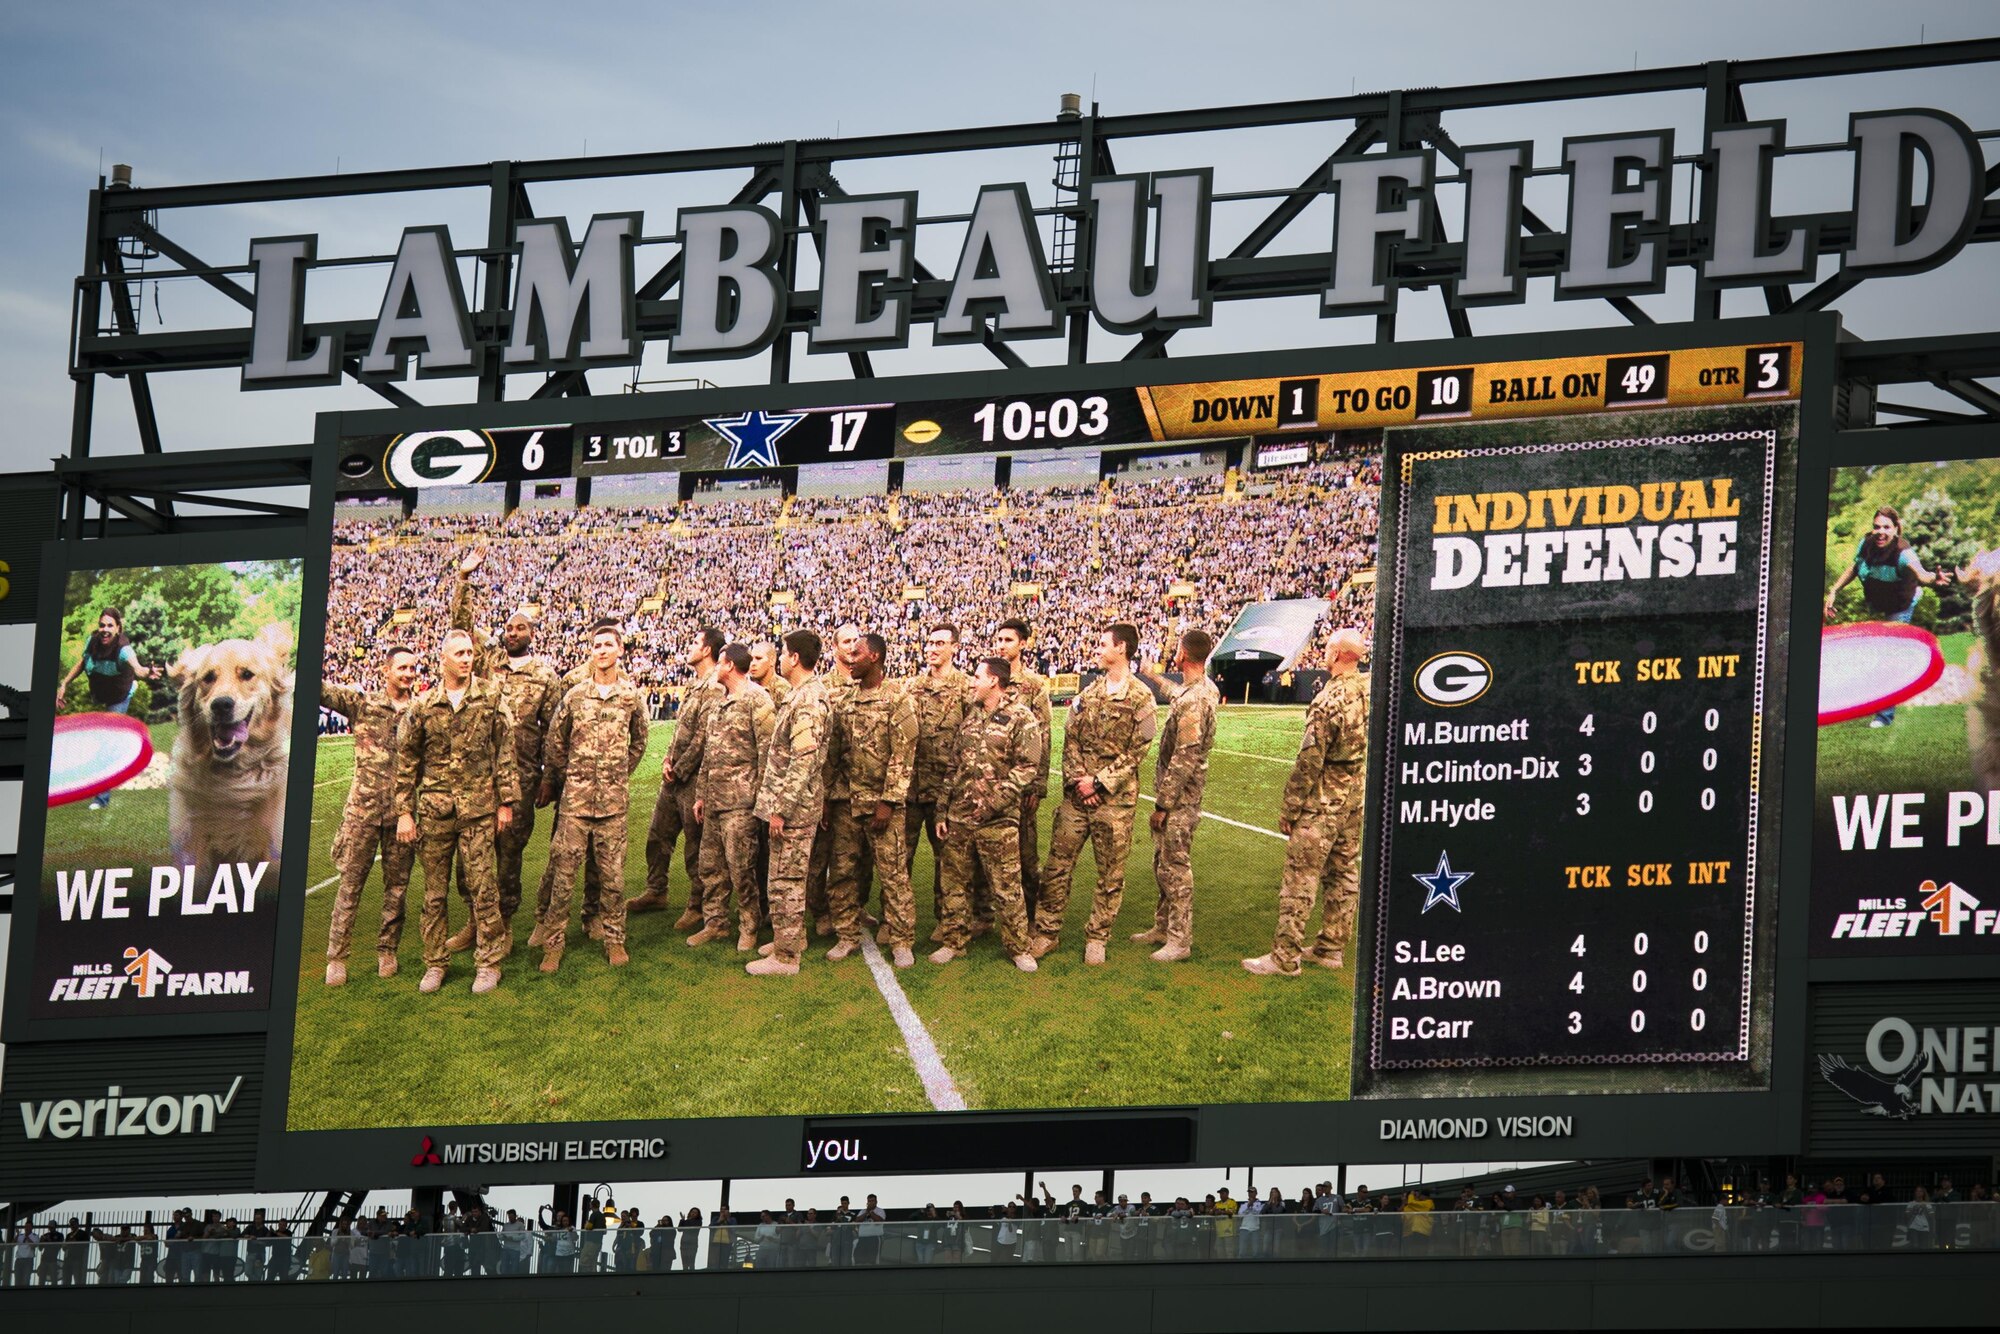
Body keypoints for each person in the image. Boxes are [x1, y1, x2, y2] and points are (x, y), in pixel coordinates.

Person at [396, 628, 520, 994]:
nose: (467, 658)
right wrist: (404, 811)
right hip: (435, 811)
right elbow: (407, 760)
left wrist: (506, 802)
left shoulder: (491, 696)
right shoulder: (424, 704)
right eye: (460, 653)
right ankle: (435, 962)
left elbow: (505, 750)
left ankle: (488, 962)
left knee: (483, 889)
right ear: (443, 659)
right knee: (434, 893)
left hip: (479, 809)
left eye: (470, 652)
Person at [450, 550, 562, 947]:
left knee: (509, 854)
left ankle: (506, 923)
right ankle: (474, 921)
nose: (512, 633)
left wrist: (551, 779)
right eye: (508, 628)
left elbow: (554, 733)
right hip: (479, 775)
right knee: (472, 852)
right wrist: (464, 579)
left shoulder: (545, 675)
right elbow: (461, 628)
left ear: (532, 634)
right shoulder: (488, 659)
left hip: (523, 780)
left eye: (520, 628)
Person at [1246, 626, 1368, 976]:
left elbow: (1309, 761)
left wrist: (1290, 807)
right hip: (1353, 798)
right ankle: (1332, 947)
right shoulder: (1368, 689)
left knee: (1300, 878)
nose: (1324, 653)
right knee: (1344, 873)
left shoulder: (1329, 700)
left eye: (1329, 648)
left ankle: (1285, 957)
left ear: (1338, 655)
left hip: (1322, 802)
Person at [1032, 623, 1156, 963]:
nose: (1097, 649)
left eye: (1103, 644)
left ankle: (1097, 937)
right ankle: (1045, 932)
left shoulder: (1141, 696)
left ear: (1121, 648)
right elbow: (1070, 738)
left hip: (1114, 802)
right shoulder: (1089, 693)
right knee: (1057, 865)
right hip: (1077, 798)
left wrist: (1099, 782)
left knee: (1110, 873)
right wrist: (1078, 781)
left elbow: (1138, 749)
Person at [535, 620, 649, 972]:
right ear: (591, 652)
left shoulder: (630, 696)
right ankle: (553, 944)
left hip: (613, 805)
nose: (602, 651)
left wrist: (617, 773)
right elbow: (556, 742)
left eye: (608, 645)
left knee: (613, 880)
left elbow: (640, 741)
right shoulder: (575, 695)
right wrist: (572, 776)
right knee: (563, 878)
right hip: (576, 804)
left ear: (620, 650)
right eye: (596, 645)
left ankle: (615, 940)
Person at [930, 657, 1042, 971]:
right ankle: (954, 942)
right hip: (960, 818)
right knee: (954, 884)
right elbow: (953, 768)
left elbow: (1027, 767)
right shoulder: (970, 718)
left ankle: (1019, 947)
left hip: (998, 819)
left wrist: (994, 802)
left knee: (1007, 887)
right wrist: (941, 811)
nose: (972, 682)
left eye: (977, 676)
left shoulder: (1021, 717)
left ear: (994, 681)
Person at [321, 646, 422, 987]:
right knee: (350, 886)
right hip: (361, 813)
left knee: (397, 888)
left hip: (402, 815)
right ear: (386, 670)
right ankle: (337, 956)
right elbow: (319, 690)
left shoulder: (419, 712)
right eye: (402, 668)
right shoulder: (363, 704)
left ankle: (387, 950)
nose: (408, 674)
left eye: (412, 668)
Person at [823, 632, 919, 964]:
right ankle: (846, 934)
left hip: (882, 806)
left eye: (857, 652)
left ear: (874, 657)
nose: (850, 657)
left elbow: (903, 754)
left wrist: (888, 802)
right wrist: (826, 798)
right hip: (845, 803)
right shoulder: (845, 699)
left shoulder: (897, 698)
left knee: (893, 874)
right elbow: (833, 754)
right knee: (842, 872)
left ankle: (902, 940)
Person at [1824, 504, 1954, 725]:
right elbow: (1855, 567)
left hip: (1900, 605)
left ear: (1896, 529)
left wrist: (1934, 578)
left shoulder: (1904, 553)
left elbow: (1921, 574)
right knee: (1872, 652)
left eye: (1886, 527)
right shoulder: (1866, 544)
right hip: (1879, 601)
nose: (1880, 532)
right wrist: (1834, 590)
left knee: (1888, 658)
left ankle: (1884, 718)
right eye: (1876, 527)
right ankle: (1871, 701)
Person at [749, 631, 832, 976]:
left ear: (795, 658)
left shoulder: (808, 699)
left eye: (783, 653)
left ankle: (785, 957)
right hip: (791, 803)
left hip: (794, 808)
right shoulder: (802, 694)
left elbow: (804, 760)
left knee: (786, 881)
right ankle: (790, 939)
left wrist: (780, 809)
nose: (780, 659)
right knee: (784, 878)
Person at [1135, 629, 1219, 961]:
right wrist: (1155, 678)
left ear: (1183, 654)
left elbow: (1186, 753)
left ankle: (1179, 939)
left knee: (1175, 866)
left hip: (1181, 798)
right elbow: (1178, 694)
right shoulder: (1199, 690)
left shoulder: (1195, 699)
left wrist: (1163, 804)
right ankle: (1163, 925)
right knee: (1163, 862)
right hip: (1181, 794)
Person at [632, 628, 725, 923]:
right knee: (658, 835)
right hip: (674, 777)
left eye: (695, 642)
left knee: (696, 846)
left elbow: (703, 736)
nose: (690, 647)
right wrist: (668, 759)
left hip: (694, 779)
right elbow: (681, 732)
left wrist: (680, 768)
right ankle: (656, 890)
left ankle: (697, 905)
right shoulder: (695, 684)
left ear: (707, 650)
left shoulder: (714, 686)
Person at [689, 643, 776, 950]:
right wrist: (700, 795)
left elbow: (768, 752)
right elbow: (709, 754)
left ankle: (750, 926)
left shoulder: (758, 700)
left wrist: (765, 801)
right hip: (714, 800)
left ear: (728, 666)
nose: (714, 669)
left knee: (742, 868)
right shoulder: (717, 702)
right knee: (710, 867)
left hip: (742, 802)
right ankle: (715, 924)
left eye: (719, 663)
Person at [982, 617, 1052, 926]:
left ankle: (1032, 917)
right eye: (998, 639)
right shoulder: (988, 678)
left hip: (1019, 786)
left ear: (1023, 644)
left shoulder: (1033, 686)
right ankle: (984, 915)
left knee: (1025, 855)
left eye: (1008, 640)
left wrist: (1037, 786)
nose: (1001, 644)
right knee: (983, 853)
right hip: (987, 784)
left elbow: (1044, 736)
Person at [57, 605, 164, 809]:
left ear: (118, 629)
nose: (105, 629)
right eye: (102, 625)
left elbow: (138, 668)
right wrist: (64, 684)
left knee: (107, 744)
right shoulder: (93, 641)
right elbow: (82, 662)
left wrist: (146, 672)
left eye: (110, 626)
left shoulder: (124, 650)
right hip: (100, 692)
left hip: (118, 696)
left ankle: (101, 799)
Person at [906, 622, 972, 935]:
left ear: (955, 648)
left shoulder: (966, 687)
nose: (932, 649)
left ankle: (947, 920)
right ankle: (898, 920)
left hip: (947, 791)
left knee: (947, 860)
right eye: (929, 643)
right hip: (911, 788)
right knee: (899, 857)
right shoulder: (912, 686)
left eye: (940, 644)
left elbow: (974, 737)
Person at [854, 1194, 886, 1265]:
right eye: (869, 1201)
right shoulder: (863, 1211)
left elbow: (879, 1222)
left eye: (872, 1201)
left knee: (872, 1260)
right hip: (862, 1238)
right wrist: (866, 1213)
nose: (871, 1203)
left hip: (874, 1238)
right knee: (859, 1258)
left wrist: (871, 1213)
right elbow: (857, 1221)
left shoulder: (880, 1211)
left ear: (876, 1202)